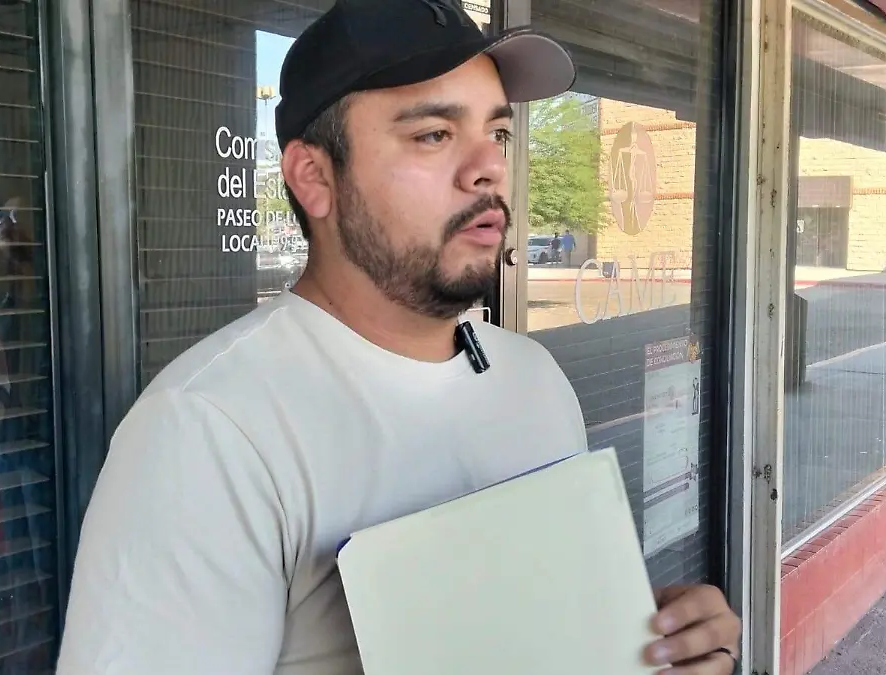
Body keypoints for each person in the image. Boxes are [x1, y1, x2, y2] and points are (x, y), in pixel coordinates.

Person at [56, 1, 741, 673]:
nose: (489, 167)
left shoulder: (534, 376)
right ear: (314, 177)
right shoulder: (209, 430)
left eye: (498, 134)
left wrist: (649, 644)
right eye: (434, 134)